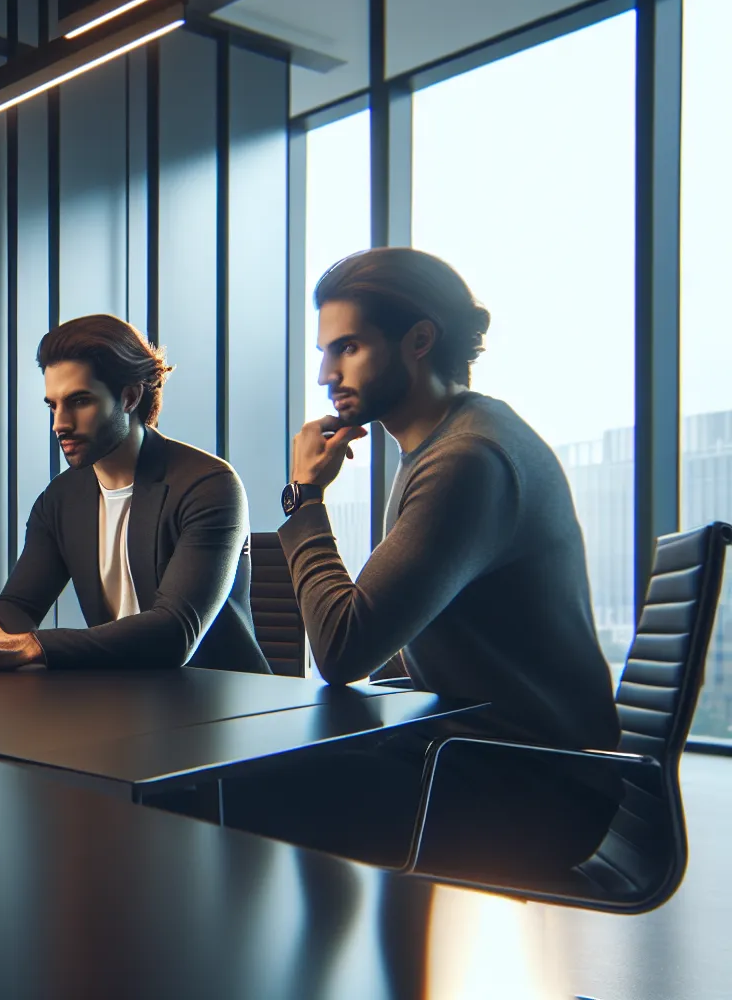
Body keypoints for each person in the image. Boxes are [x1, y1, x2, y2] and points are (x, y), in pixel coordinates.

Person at [221, 247, 620, 876]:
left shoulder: (466, 460)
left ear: (420, 340)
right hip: (486, 759)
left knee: (232, 789)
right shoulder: (453, 442)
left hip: (535, 791)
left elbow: (344, 649)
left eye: (346, 347)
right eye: (325, 351)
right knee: (268, 768)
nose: (326, 373)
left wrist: (302, 501)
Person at [0, 314, 269, 675]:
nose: (59, 423)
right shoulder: (60, 500)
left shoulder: (209, 485)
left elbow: (175, 633)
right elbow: (17, 607)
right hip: (124, 703)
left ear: (129, 397)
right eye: (52, 405)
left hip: (223, 706)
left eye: (79, 401)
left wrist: (33, 645)